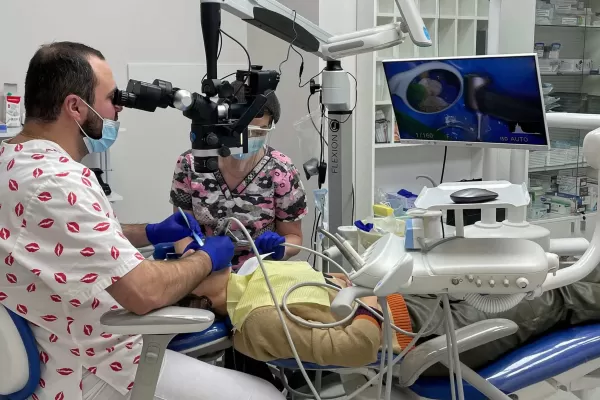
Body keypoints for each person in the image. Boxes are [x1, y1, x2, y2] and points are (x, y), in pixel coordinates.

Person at [0, 41, 285, 400]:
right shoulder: (59, 181)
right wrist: (208, 257)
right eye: (112, 98)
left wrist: (149, 232)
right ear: (75, 106)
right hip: (92, 368)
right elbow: (145, 293)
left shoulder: (13, 161)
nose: (120, 107)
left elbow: (64, 240)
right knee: (267, 395)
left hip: (54, 347)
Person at [179, 256, 600, 372]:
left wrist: (360, 278)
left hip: (411, 301)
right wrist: (372, 297)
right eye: (186, 265)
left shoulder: (252, 274)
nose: (196, 256)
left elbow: (329, 287)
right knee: (556, 294)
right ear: (197, 296)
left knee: (534, 265)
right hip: (422, 339)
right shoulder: (257, 318)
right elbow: (355, 347)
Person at [169, 82, 307, 270]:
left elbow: (294, 237)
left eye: (258, 132)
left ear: (270, 127)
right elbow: (181, 231)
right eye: (241, 130)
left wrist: (281, 247)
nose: (248, 140)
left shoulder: (281, 170)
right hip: (205, 268)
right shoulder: (191, 164)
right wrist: (192, 257)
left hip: (259, 273)